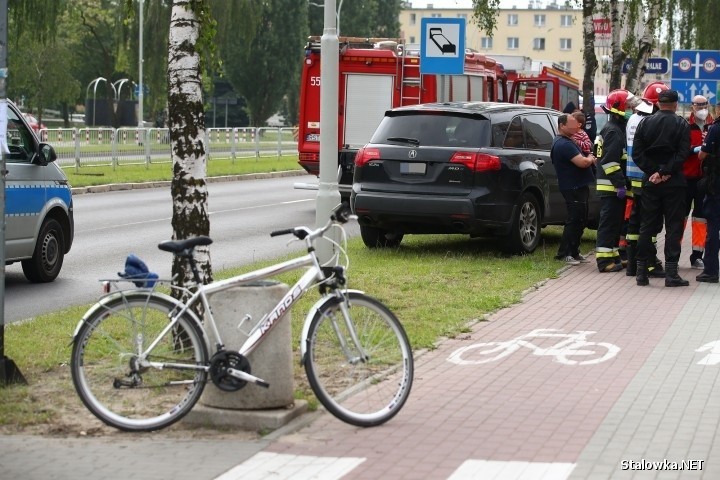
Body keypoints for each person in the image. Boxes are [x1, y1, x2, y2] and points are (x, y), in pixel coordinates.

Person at [632, 89, 691, 287]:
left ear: (657, 103)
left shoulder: (645, 123)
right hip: (674, 183)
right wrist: (666, 171)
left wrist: (653, 172)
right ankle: (671, 274)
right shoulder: (682, 124)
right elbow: (683, 154)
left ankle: (641, 272)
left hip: (651, 182)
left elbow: (637, 154)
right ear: (675, 104)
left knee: (646, 226)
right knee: (673, 227)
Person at [624, 82, 669, 279]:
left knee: (635, 221)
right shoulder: (652, 121)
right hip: (647, 176)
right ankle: (649, 263)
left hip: (633, 175)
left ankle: (632, 265)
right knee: (650, 223)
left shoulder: (632, 118)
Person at [593, 89, 635, 272]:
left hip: (613, 186)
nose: (631, 110)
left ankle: (614, 255)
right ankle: (603, 261)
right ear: (619, 108)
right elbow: (610, 162)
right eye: (629, 106)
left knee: (615, 224)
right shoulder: (614, 132)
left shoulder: (614, 128)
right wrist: (620, 185)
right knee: (609, 224)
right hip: (611, 187)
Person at [551, 113, 597, 265]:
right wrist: (590, 158)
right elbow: (582, 162)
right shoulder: (563, 144)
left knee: (581, 219)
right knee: (574, 219)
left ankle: (574, 251)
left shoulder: (569, 140)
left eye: (575, 122)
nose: (575, 125)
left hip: (579, 186)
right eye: (571, 123)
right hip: (573, 186)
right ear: (562, 126)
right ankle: (564, 253)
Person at [683, 95, 713, 269]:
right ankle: (674, 251)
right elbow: (679, 150)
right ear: (692, 106)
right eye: (697, 105)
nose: (701, 107)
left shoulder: (712, 126)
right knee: (681, 216)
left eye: (703, 104)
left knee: (701, 218)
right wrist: (694, 150)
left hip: (705, 178)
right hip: (687, 177)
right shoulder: (686, 126)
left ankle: (697, 255)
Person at [696, 100, 720, 283]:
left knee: (713, 227)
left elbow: (702, 154)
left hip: (716, 184)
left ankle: (711, 270)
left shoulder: (715, 129)